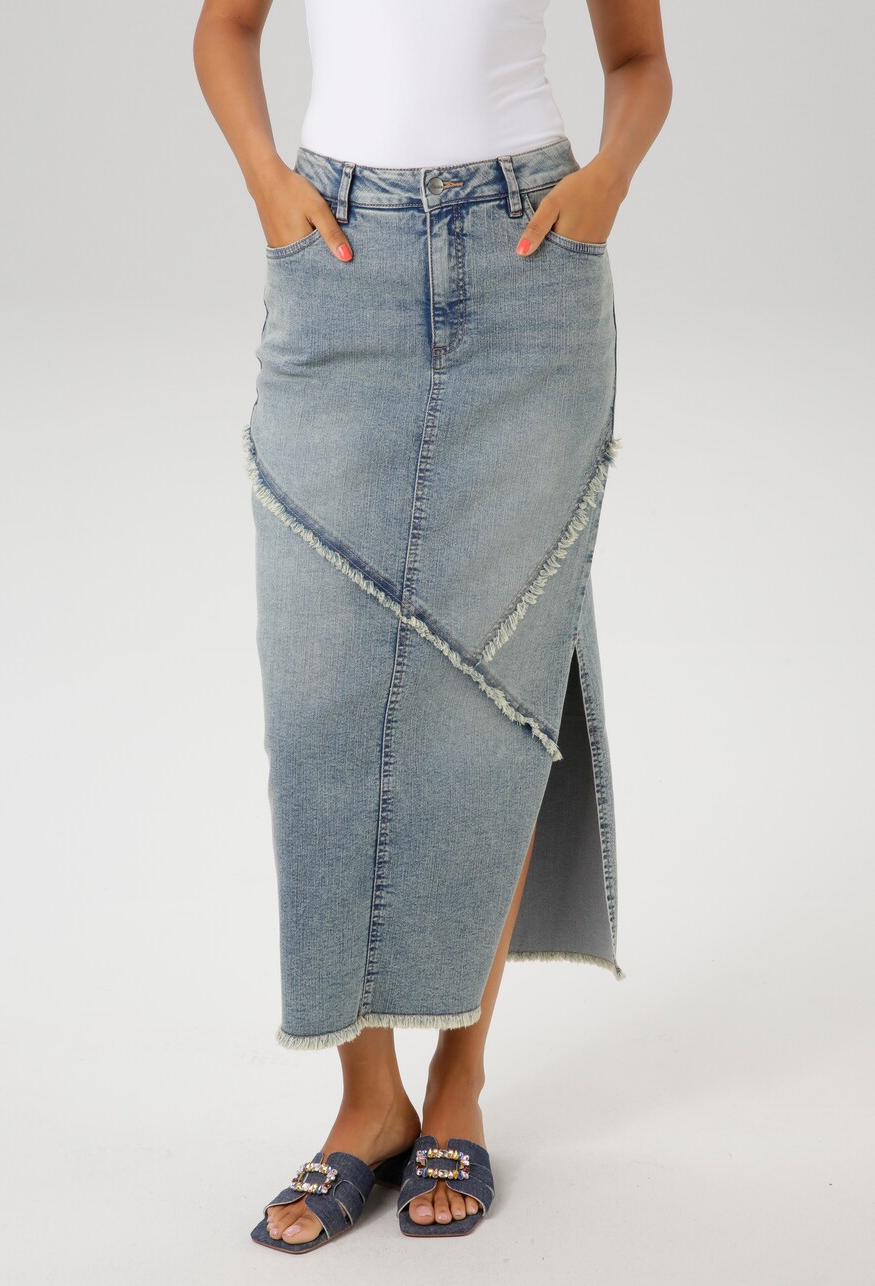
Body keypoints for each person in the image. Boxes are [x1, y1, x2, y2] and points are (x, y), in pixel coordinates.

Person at [193, 0, 672, 1252]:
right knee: (318, 700)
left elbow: (640, 62)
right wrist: (266, 181)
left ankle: (457, 1084)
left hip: (532, 267)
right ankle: (368, 1103)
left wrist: (607, 181)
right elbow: (223, 29)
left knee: (491, 701)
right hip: (338, 258)